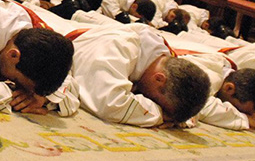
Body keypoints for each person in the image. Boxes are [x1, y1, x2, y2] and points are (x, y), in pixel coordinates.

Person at [70, 23, 210, 127]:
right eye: (156, 101)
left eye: (157, 104)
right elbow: (109, 103)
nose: (150, 101)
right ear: (159, 79)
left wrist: (176, 117)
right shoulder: (121, 44)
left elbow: (190, 106)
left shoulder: (163, 62)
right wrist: (160, 115)